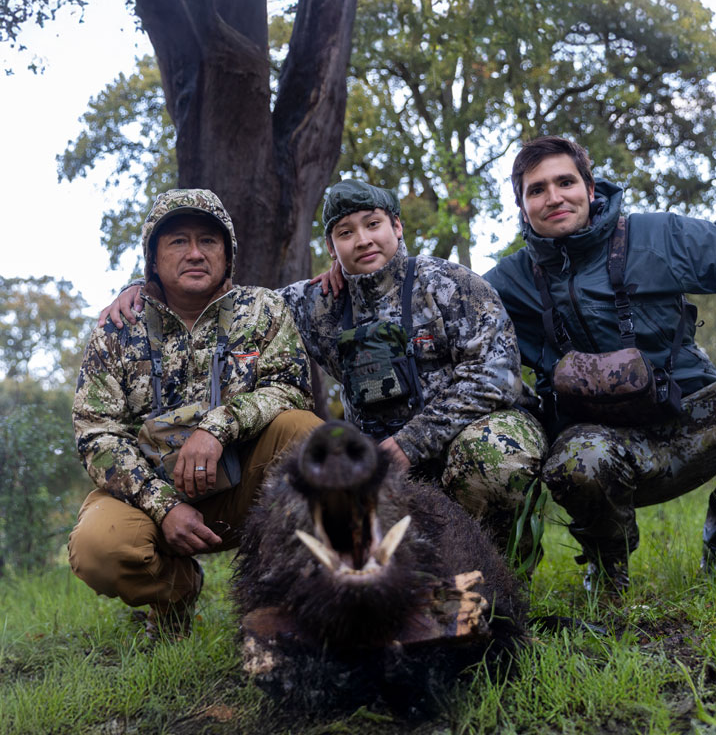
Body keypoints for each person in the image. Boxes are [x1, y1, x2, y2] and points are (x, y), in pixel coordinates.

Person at [102, 180, 547, 559]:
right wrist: (144, 287)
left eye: (374, 225)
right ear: (333, 247)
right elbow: (235, 306)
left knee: (492, 456)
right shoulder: (315, 304)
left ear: (397, 226)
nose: (364, 241)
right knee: (340, 493)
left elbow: (498, 376)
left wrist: (412, 442)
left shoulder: (450, 284)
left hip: (473, 432)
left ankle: (503, 573)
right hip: (383, 457)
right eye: (346, 233)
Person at [482, 136, 716, 591]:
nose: (554, 197)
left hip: (691, 422)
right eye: (537, 190)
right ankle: (607, 574)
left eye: (565, 181)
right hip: (598, 447)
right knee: (577, 458)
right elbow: (442, 316)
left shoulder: (658, 236)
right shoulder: (506, 282)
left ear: (589, 187)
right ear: (522, 206)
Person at [71, 189, 320, 638]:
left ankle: (293, 598)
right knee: (97, 547)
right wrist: (162, 506)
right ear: (152, 258)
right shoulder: (116, 330)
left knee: (306, 434)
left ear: (227, 254)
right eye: (177, 241)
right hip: (150, 499)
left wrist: (217, 428)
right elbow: (97, 435)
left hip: (246, 490)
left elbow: (293, 392)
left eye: (208, 241)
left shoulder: (263, 310)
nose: (195, 253)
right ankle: (177, 591)